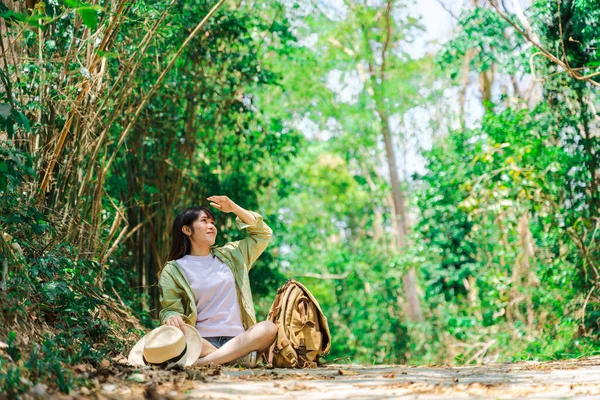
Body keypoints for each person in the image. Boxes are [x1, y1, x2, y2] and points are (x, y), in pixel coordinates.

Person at [158, 195, 277, 367]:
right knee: (175, 333)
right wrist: (172, 316)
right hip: (201, 343)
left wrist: (234, 207)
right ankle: (233, 359)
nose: (211, 226)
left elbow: (263, 234)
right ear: (187, 230)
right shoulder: (174, 269)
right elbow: (170, 308)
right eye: (204, 221)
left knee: (268, 328)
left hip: (239, 341)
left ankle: (204, 363)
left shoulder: (231, 256)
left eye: (213, 223)